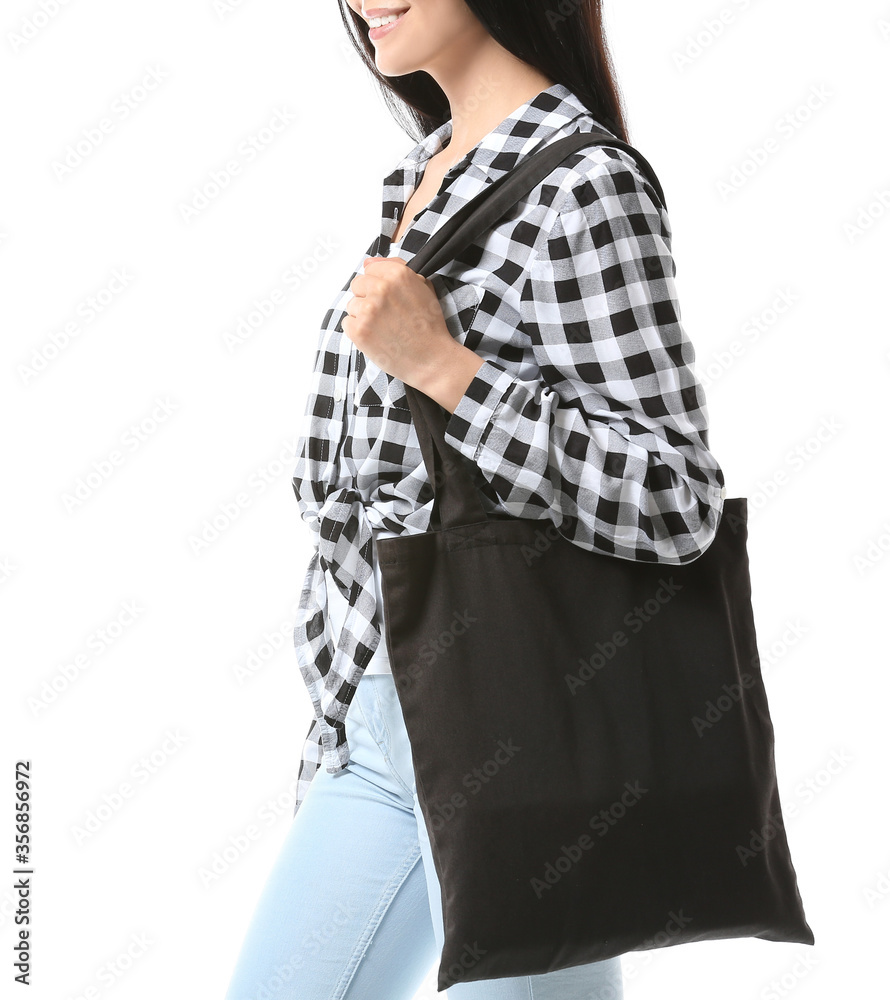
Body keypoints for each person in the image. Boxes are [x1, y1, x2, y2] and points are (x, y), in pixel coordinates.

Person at [223, 1, 725, 997]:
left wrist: (447, 370)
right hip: (380, 722)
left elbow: (675, 499)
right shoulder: (425, 175)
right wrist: (337, 722)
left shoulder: (584, 186)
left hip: (514, 733)